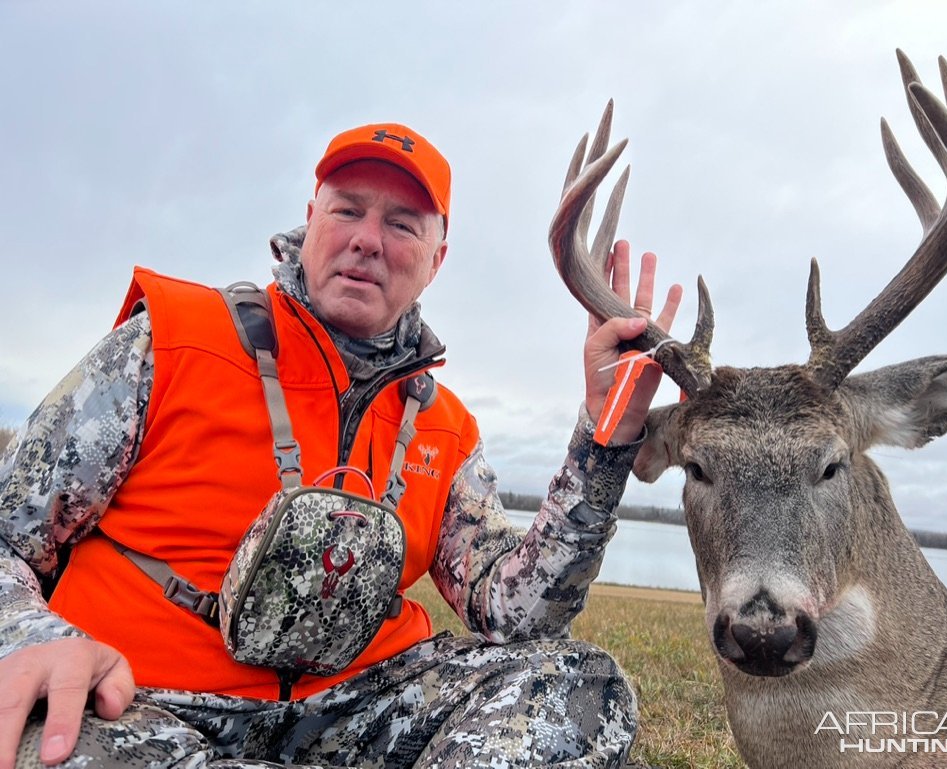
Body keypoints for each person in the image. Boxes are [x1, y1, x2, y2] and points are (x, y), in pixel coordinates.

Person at [0, 122, 681, 769]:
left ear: (437, 259)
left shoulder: (445, 428)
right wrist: (40, 640)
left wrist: (604, 437)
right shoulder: (172, 341)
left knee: (581, 688)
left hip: (360, 708)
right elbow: (9, 536)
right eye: (347, 210)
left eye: (402, 224)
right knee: (55, 737)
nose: (366, 240)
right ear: (310, 217)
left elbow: (518, 615)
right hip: (146, 702)